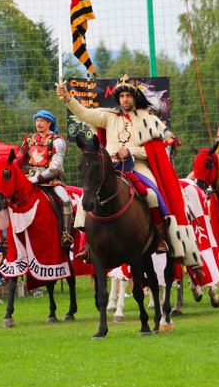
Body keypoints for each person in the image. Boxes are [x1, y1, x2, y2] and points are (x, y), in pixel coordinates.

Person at [57, 75, 181, 258]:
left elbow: (155, 152)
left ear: (135, 98)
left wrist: (131, 151)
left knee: (152, 194)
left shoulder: (146, 120)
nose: (125, 99)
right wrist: (68, 98)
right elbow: (85, 114)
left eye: (128, 96)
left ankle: (159, 237)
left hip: (137, 165)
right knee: (86, 195)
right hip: (110, 166)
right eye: (122, 96)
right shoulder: (110, 117)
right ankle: (87, 243)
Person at [14, 109, 74, 247]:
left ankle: (66, 233)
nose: (38, 123)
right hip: (28, 176)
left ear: (49, 123)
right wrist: (7, 164)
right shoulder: (28, 139)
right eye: (37, 120)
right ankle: (7, 235)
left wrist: (38, 178)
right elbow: (20, 158)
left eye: (41, 121)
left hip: (50, 179)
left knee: (65, 200)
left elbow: (55, 167)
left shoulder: (58, 141)